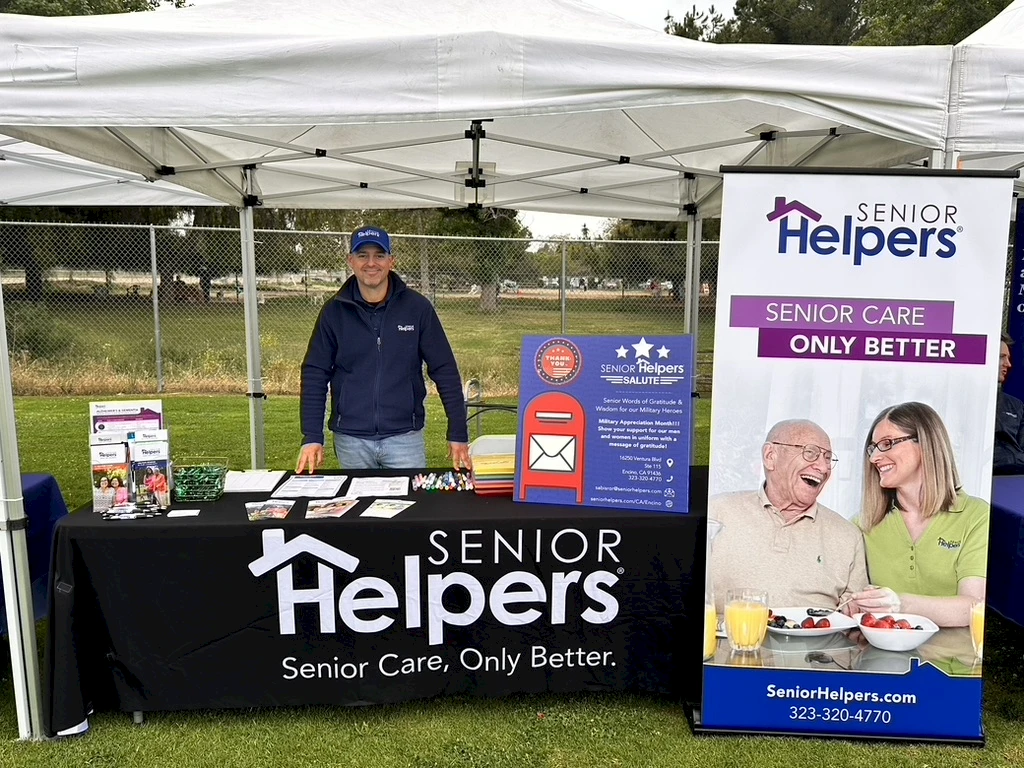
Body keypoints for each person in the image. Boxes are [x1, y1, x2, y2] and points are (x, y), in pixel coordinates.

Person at [297, 226, 471, 472]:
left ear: (391, 261)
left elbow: (444, 370)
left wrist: (458, 432)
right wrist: (312, 436)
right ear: (351, 261)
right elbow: (315, 373)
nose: (371, 263)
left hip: (404, 439)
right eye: (362, 255)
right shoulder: (333, 312)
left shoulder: (417, 308)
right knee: (359, 510)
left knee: (410, 509)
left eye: (379, 255)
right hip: (351, 440)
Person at [708, 419, 868, 612]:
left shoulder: (848, 536)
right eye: (811, 453)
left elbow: (856, 616)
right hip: (730, 641)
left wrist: (856, 610)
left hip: (819, 641)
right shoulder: (716, 512)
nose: (824, 468)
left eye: (827, 458)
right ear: (770, 456)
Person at [852, 402, 988, 627]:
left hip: (954, 661)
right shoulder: (862, 524)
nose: (874, 457)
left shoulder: (976, 516)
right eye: (873, 448)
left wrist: (899, 604)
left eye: (887, 444)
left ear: (926, 443)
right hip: (881, 657)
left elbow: (974, 608)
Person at [994, 332, 1024, 474]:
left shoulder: (1016, 405)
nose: (1008, 364)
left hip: (1016, 475)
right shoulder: (965, 400)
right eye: (1002, 357)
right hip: (988, 474)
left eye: (1008, 358)